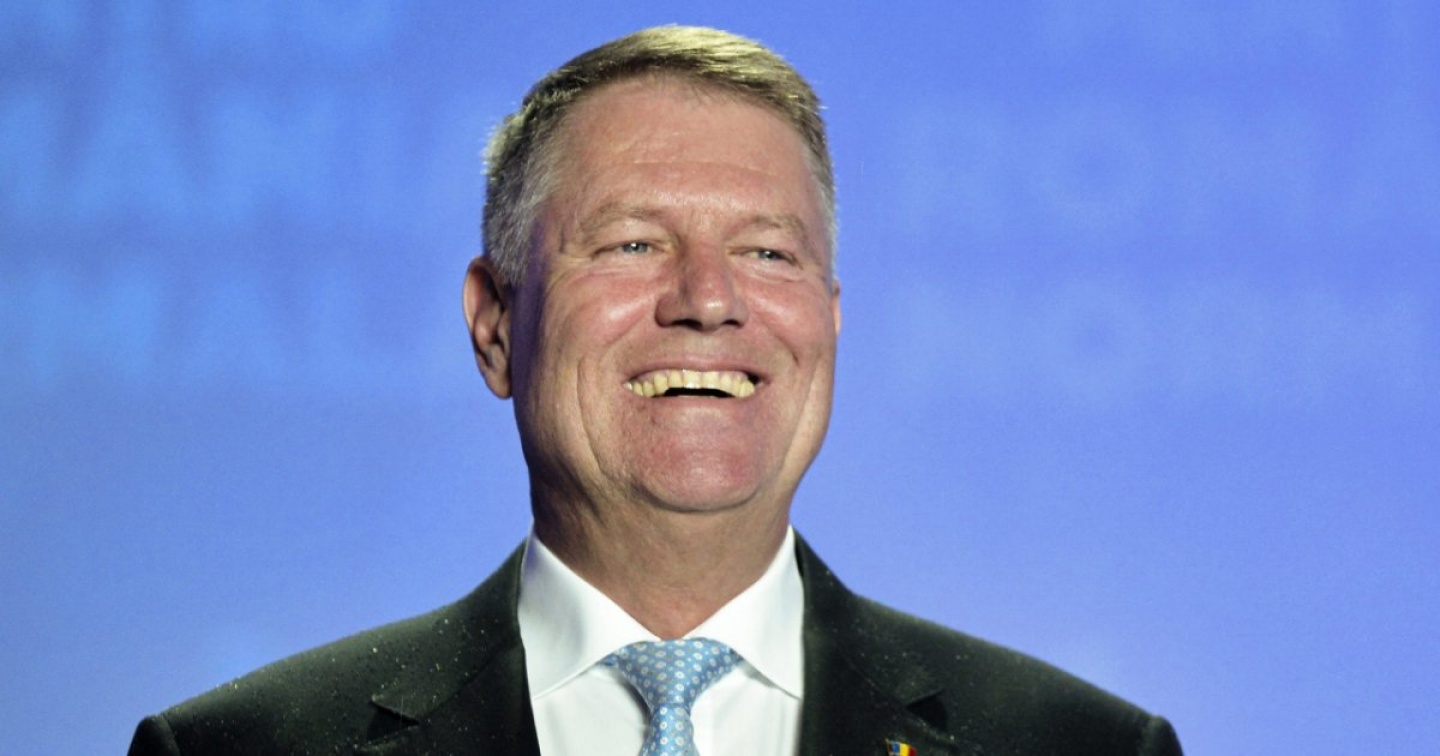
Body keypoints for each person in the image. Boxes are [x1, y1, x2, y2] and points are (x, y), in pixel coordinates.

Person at [128, 26, 1182, 755]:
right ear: (495, 326)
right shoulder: (239, 750)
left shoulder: (1084, 749)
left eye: (768, 253)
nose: (709, 301)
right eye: (632, 243)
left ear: (830, 323)